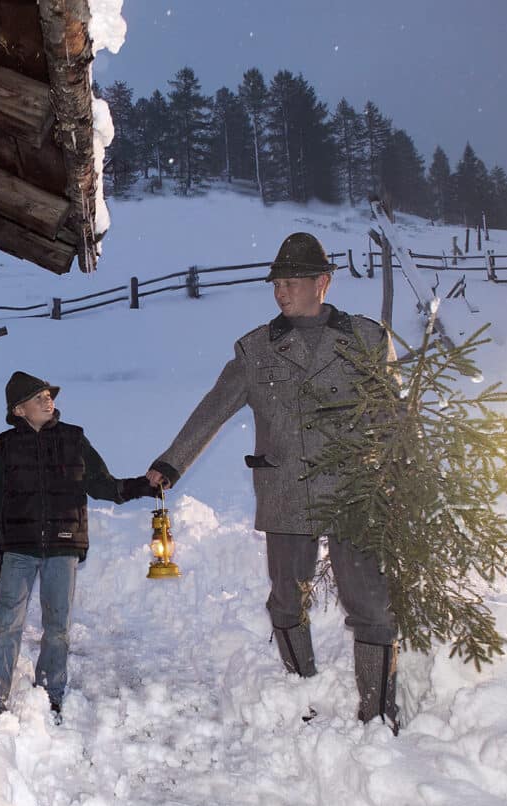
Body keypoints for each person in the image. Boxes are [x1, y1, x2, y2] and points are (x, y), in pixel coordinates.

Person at [145, 232, 402, 731]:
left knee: (370, 602)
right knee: (287, 598)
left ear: (322, 283)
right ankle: (301, 685)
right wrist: (171, 463)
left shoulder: (368, 340)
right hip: (287, 489)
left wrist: (402, 477)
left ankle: (378, 713)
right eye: (276, 284)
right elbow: (212, 410)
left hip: (355, 490)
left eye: (291, 282)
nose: (281, 292)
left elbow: (394, 418)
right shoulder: (257, 350)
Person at [0, 370, 158, 721]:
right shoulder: (4, 446)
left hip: (63, 545)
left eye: (49, 395)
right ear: (19, 410)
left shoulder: (74, 439)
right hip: (18, 547)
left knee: (57, 626)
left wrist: (141, 486)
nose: (49, 400)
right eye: (39, 397)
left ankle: (50, 694)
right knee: (7, 626)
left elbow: (103, 484)